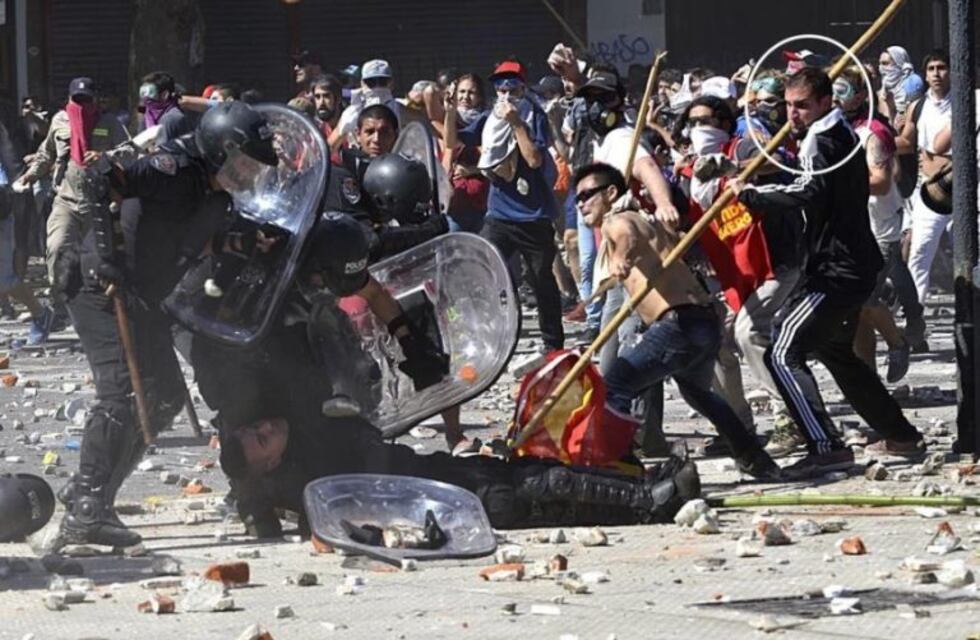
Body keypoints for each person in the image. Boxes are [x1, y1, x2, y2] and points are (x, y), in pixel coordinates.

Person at [49, 101, 277, 548]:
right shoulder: (173, 169)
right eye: (248, 163)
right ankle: (87, 510)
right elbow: (99, 176)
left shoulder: (213, 193)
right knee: (121, 392)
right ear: (223, 150)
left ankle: (91, 492)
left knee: (165, 395)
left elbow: (190, 238)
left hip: (143, 296)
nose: (252, 174)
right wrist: (107, 255)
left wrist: (244, 242)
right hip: (101, 287)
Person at [729, 68, 926, 477]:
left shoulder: (822, 139)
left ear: (824, 102)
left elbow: (809, 190)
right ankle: (901, 435)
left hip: (838, 269)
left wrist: (750, 195)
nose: (793, 114)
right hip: (848, 263)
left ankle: (825, 445)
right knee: (837, 353)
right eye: (789, 105)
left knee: (782, 350)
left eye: (802, 106)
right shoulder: (839, 133)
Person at [215, 372, 701, 536]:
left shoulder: (305, 434)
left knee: (532, 473)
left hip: (439, 474)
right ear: (270, 464)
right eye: (262, 440)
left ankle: (645, 484)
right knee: (541, 491)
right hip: (441, 504)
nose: (265, 428)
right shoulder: (316, 486)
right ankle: (651, 502)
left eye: (256, 428)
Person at [574, 162, 782, 480]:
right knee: (699, 394)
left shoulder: (618, 220)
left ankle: (621, 467)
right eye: (577, 199)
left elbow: (627, 236)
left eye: (587, 195)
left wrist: (620, 257)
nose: (581, 204)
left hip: (678, 324)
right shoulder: (646, 220)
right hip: (702, 321)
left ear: (611, 193)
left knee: (614, 386)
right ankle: (755, 459)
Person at [672, 95, 804, 458]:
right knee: (715, 344)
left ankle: (790, 418)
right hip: (729, 273)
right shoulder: (688, 174)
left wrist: (733, 168)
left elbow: (781, 161)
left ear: (724, 124)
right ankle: (737, 428)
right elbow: (682, 219)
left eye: (705, 121)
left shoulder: (741, 147)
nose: (698, 128)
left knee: (749, 333)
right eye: (691, 122)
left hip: (773, 261)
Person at [834, 67, 920, 383]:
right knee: (855, 313)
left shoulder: (872, 132)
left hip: (879, 229)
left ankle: (898, 342)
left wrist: (834, 183)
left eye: (842, 90)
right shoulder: (837, 130)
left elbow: (882, 183)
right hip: (853, 228)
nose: (834, 97)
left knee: (863, 299)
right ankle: (867, 379)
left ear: (860, 96)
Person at [14, 78, 128, 310]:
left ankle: (98, 307)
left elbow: (129, 151)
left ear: (95, 99)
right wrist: (31, 175)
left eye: (87, 100)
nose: (82, 105)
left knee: (99, 259)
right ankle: (60, 302)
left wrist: (105, 156)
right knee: (56, 248)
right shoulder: (60, 120)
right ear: (69, 99)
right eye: (77, 100)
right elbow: (46, 153)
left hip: (99, 203)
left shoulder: (109, 122)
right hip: (66, 199)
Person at [477, 57, 564, 352]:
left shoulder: (532, 115)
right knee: (485, 271)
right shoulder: (491, 118)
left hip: (532, 216)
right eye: (500, 88)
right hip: (499, 214)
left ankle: (553, 344)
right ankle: (492, 337)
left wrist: (516, 123)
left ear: (523, 88)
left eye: (512, 88)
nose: (506, 94)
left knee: (541, 280)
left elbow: (533, 159)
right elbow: (455, 137)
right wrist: (447, 109)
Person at [896, 50, 952, 309]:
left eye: (941, 68)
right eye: (931, 69)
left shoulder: (968, 102)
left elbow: (941, 146)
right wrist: (876, 139)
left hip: (967, 187)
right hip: (931, 189)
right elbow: (906, 143)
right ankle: (915, 316)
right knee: (919, 252)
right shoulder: (918, 106)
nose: (936, 74)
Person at [442, 73, 490, 234]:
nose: (465, 97)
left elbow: (495, 160)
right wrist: (450, 113)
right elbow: (450, 144)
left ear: (480, 96)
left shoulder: (488, 119)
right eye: (461, 92)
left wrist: (472, 170)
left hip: (483, 198)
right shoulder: (452, 118)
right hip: (457, 200)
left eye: (471, 92)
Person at [877, 45, 925, 129]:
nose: (881, 68)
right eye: (880, 64)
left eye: (885, 63)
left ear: (899, 63)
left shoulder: (912, 86)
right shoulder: (881, 93)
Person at [311, 75, 343, 140]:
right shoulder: (315, 129)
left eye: (326, 96)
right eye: (317, 97)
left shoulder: (350, 127)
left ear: (338, 99)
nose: (321, 102)